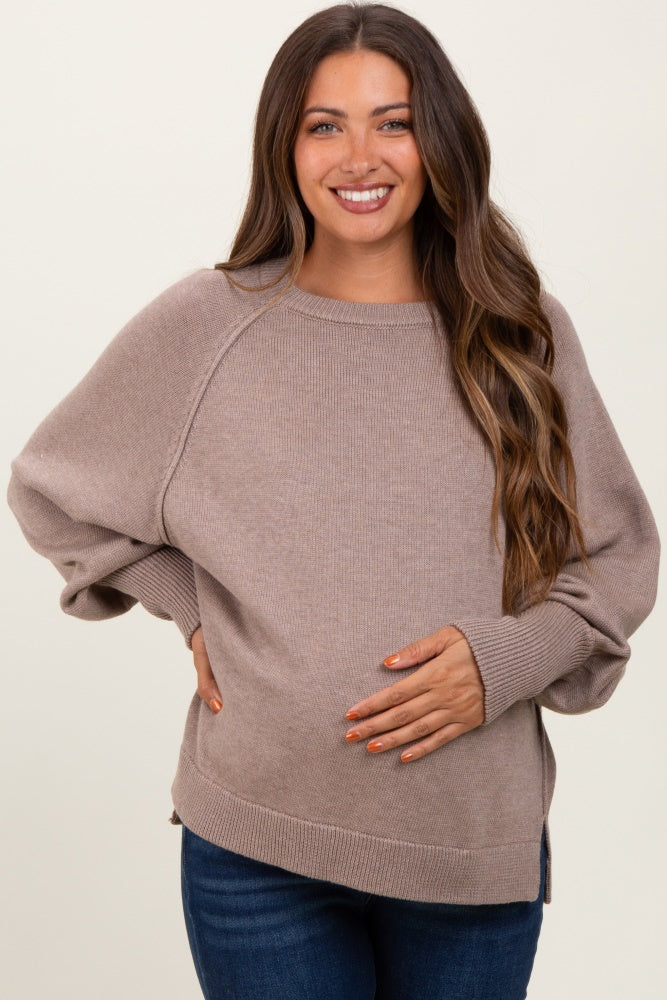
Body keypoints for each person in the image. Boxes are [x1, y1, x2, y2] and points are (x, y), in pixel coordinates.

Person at [6, 2, 660, 998]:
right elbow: (52, 487)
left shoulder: (519, 332)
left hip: (468, 851)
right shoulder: (211, 321)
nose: (360, 157)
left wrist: (505, 661)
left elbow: (617, 558)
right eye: (325, 125)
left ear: (439, 139)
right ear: (285, 144)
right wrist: (190, 603)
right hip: (257, 853)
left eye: (393, 122)